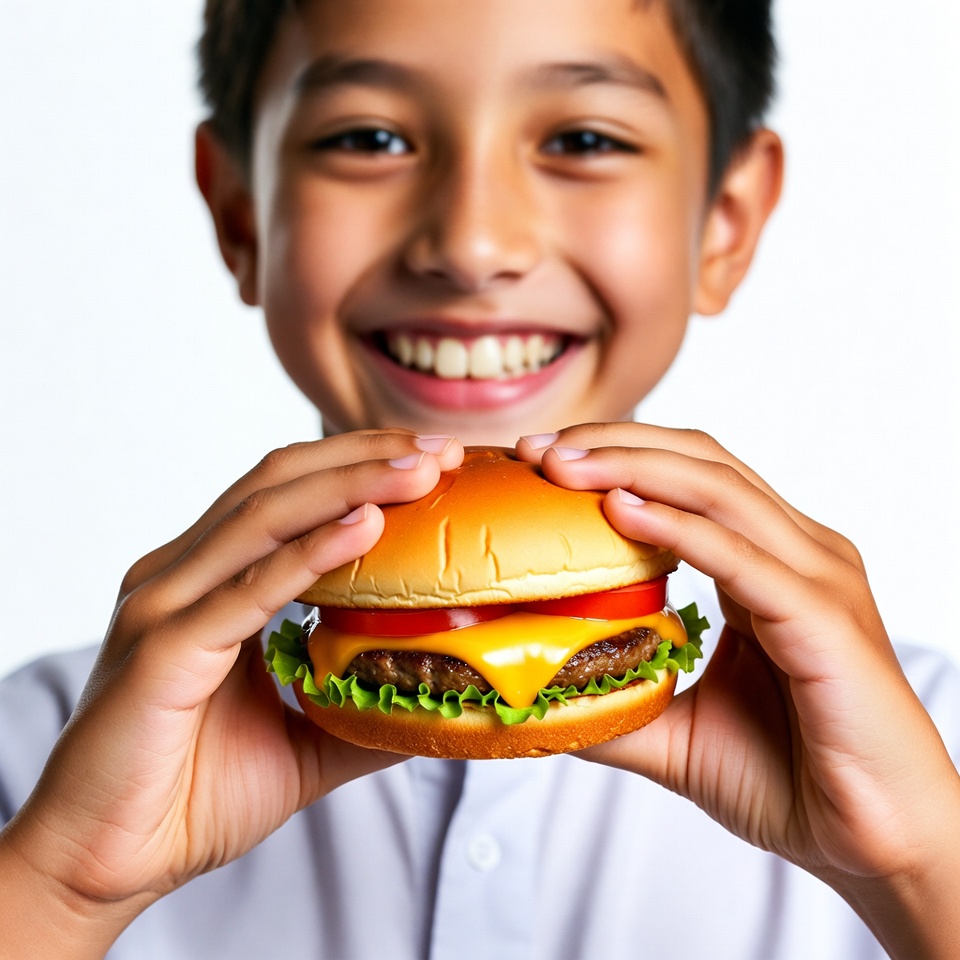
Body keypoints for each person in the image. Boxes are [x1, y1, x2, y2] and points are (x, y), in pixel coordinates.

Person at [1, 1, 958, 958]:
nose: (472, 246)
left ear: (726, 222)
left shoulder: (927, 747)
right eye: (369, 138)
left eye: (584, 140)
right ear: (240, 214)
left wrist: (918, 873)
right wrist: (63, 890)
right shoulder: (38, 755)